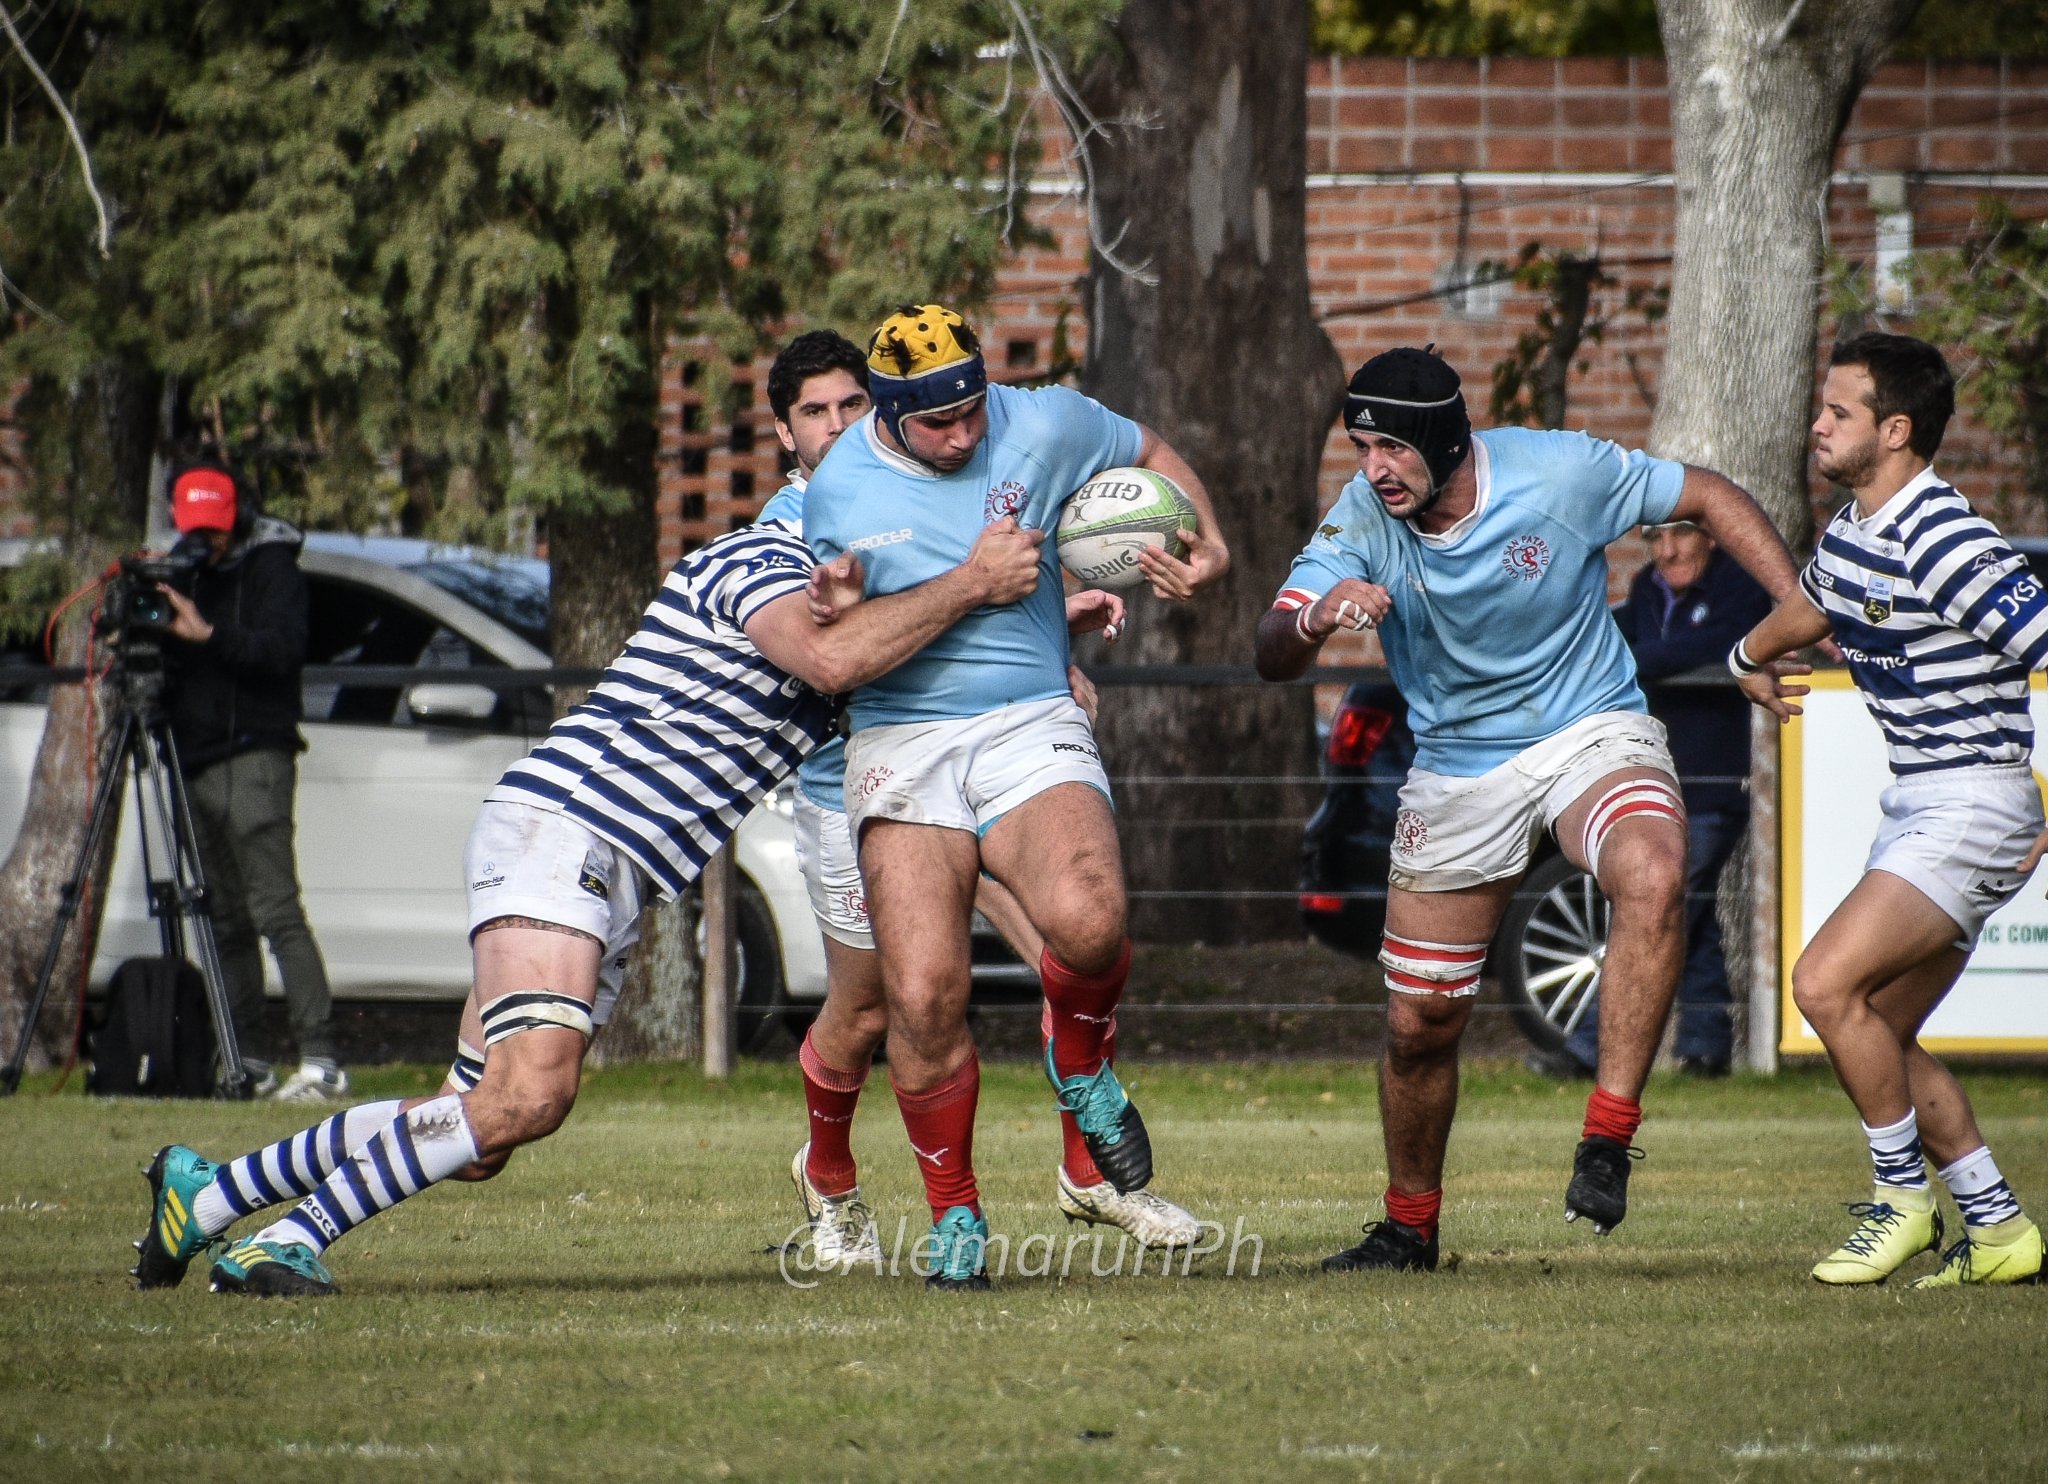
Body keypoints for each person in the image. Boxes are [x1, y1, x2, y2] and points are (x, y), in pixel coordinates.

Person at [131, 479, 1046, 1298]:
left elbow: (911, 668)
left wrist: (1039, 630)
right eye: (823, 417)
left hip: (597, 855)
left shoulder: (856, 595)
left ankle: (208, 1197)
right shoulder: (762, 560)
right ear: (793, 445)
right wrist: (972, 583)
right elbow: (836, 659)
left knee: (476, 1132)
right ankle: (288, 1239)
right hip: (571, 828)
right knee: (529, 1098)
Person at [1254, 346, 1799, 1272]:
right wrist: (1316, 614)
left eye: (1392, 448)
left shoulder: (1558, 472)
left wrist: (1791, 612)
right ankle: (1408, 1229)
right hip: (1458, 765)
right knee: (1420, 1025)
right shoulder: (1361, 518)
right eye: (1361, 447)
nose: (1374, 468)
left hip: (1589, 730)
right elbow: (1272, 647)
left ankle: (1607, 1140)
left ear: (1441, 441)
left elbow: (1707, 494)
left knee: (1654, 871)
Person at [802, 304, 1230, 1288]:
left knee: (1090, 920)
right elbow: (838, 654)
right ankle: (955, 1215)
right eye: (937, 422)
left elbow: (1148, 447)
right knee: (921, 997)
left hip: (1027, 711)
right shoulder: (839, 491)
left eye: (971, 411)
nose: (963, 435)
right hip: (901, 736)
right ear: (888, 412)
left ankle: (1078, 1066)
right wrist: (959, 583)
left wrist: (1207, 542)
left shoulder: (1040, 420)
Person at [1732, 331, 2046, 1288]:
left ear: (1896, 430)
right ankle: (2001, 1232)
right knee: (1875, 1027)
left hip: (1975, 801)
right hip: (1923, 801)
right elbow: (1817, 604)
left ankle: (1902, 1202)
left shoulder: (1945, 538)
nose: (1817, 425)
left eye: (1840, 412)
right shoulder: (1856, 529)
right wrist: (1747, 656)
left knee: (1823, 985)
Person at [1540, 519, 1771, 1079]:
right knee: (1690, 908)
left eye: (1680, 535)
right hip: (1662, 776)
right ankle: (1706, 1047)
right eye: (1655, 538)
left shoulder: (1741, 587)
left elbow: (1725, 644)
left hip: (1716, 780)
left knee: (1655, 908)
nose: (1667, 551)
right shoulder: (1647, 587)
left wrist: (1641, 659)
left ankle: (1589, 1048)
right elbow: (1611, 638)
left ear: (1710, 536)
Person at [157, 462, 342, 1102]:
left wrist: (208, 635)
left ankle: (321, 1059)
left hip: (254, 757)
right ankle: (248, 1061)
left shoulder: (272, 568)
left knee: (275, 911)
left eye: (216, 526)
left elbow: (281, 652)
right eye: (196, 527)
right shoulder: (182, 570)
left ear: (238, 516)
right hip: (193, 759)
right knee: (224, 918)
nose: (207, 539)